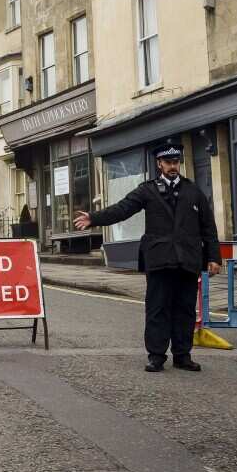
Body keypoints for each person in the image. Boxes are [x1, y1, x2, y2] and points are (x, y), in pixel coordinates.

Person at [73, 143, 221, 373]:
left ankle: (182, 355)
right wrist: (94, 218)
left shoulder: (193, 191)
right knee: (157, 308)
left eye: (176, 162)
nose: (173, 166)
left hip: (187, 260)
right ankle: (156, 356)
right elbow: (123, 209)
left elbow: (208, 227)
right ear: (159, 164)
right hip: (160, 259)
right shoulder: (148, 190)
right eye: (168, 162)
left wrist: (214, 257)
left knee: (185, 309)